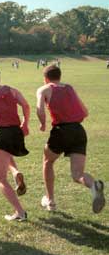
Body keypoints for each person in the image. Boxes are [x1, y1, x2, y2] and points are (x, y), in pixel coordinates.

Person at [36, 65, 105, 213]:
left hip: (61, 131)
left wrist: (42, 124)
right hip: (79, 131)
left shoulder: (45, 89)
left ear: (46, 78)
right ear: (59, 76)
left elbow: (40, 109)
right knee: (77, 174)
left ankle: (50, 201)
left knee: (47, 162)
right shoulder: (69, 88)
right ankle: (94, 186)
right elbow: (85, 111)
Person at [0, 67, 30, 221]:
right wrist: (25, 123)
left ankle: (20, 212)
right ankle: (16, 172)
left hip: (0, 132)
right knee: (4, 154)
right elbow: (26, 105)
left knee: (0, 178)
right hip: (15, 131)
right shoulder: (12, 90)